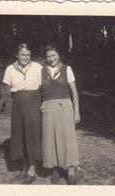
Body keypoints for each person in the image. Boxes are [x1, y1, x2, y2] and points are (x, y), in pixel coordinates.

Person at [41, 44, 81, 185]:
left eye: (53, 55)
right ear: (45, 58)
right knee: (50, 139)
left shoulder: (67, 69)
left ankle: (70, 169)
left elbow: (74, 92)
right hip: (48, 108)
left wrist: (76, 111)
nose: (51, 59)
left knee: (67, 137)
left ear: (58, 55)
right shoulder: (41, 72)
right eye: (48, 56)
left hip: (65, 106)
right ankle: (56, 169)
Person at [2, 43, 42, 184]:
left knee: (32, 135)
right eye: (22, 55)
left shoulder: (37, 67)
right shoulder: (10, 69)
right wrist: (17, 97)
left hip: (34, 104)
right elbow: (7, 87)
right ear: (17, 55)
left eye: (27, 55)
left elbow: (44, 85)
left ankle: (32, 168)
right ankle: (24, 166)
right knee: (19, 135)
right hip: (18, 104)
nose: (25, 57)